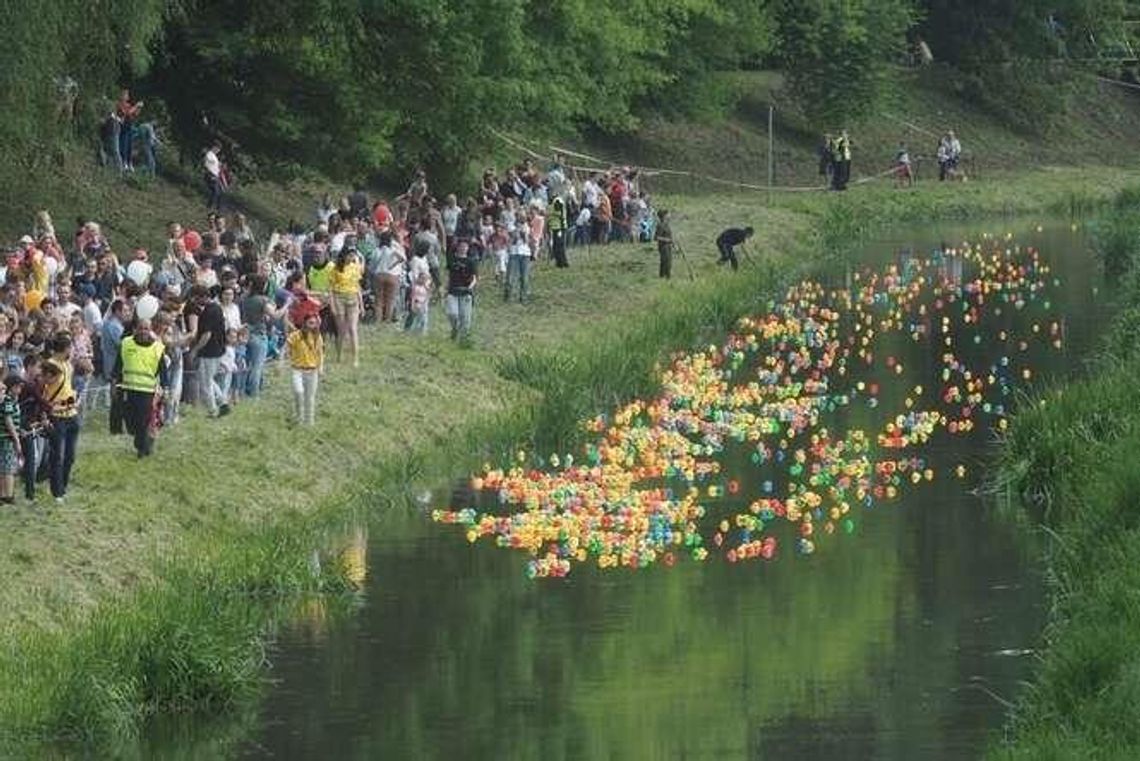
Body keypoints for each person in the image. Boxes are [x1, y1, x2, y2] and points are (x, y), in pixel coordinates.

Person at [114, 319, 169, 458]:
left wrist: (166, 388)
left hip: (147, 391)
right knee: (130, 422)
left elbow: (163, 371)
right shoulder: (126, 343)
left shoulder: (157, 347)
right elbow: (118, 366)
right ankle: (144, 441)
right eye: (141, 328)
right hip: (128, 389)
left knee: (143, 421)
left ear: (150, 330)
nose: (143, 331)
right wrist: (115, 385)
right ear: (135, 329)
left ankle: (142, 448)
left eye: (146, 328)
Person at [42, 333, 80, 503]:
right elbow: (44, 388)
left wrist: (74, 399)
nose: (72, 350)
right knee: (58, 455)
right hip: (56, 415)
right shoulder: (50, 365)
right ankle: (57, 492)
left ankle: (63, 486)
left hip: (71, 413)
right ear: (65, 349)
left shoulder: (68, 364)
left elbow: (67, 387)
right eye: (70, 347)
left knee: (70, 455)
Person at [187, 285, 229, 417]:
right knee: (209, 379)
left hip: (209, 352)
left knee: (205, 383)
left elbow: (207, 334)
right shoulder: (217, 308)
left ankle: (213, 410)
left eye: (196, 298)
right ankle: (222, 402)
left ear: (203, 297)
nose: (194, 301)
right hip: (218, 349)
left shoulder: (208, 312)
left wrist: (195, 350)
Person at [286, 311, 324, 426]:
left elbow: (320, 353)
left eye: (314, 323)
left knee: (310, 397)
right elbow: (286, 346)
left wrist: (321, 367)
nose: (312, 325)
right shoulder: (296, 335)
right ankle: (299, 417)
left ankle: (309, 422)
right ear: (305, 323)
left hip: (312, 370)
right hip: (297, 369)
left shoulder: (317, 337)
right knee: (298, 392)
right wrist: (282, 361)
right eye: (310, 323)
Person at [328, 247, 364, 367]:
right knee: (341, 330)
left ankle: (356, 358)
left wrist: (361, 304)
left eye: (354, 255)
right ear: (344, 256)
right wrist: (332, 304)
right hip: (339, 298)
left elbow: (357, 286)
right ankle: (339, 355)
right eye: (350, 255)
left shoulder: (355, 267)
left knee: (353, 329)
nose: (352, 257)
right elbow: (331, 289)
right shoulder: (335, 269)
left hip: (353, 298)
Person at [445, 239, 478, 341]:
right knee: (452, 313)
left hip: (465, 292)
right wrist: (445, 287)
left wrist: (470, 288)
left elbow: (474, 277)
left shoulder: (471, 261)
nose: (463, 248)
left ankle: (464, 339)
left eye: (465, 246)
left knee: (465, 317)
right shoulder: (452, 259)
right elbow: (448, 274)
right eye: (461, 246)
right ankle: (454, 329)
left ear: (468, 248)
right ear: (458, 247)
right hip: (452, 291)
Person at [0, 375, 23, 505]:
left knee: (4, 466)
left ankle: (3, 494)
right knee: (8, 467)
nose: (20, 389)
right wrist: (16, 439)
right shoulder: (8, 401)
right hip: (7, 438)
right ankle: (8, 495)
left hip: (6, 437)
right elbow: (8, 421)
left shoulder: (12, 400)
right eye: (18, 386)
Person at [548, 196, 569, 268]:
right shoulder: (552, 204)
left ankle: (562, 262)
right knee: (557, 246)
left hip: (559, 227)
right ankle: (560, 261)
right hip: (555, 227)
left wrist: (562, 227)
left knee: (559, 246)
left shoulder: (557, 201)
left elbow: (561, 214)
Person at [204, 143, 224, 210]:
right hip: (211, 175)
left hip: (216, 175)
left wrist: (219, 165)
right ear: (214, 147)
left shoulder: (214, 156)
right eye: (218, 149)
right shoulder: (209, 155)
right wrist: (211, 175)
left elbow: (215, 165)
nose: (218, 151)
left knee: (220, 192)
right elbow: (207, 165)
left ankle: (218, 207)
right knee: (215, 191)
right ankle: (209, 206)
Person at [655, 209, 674, 279]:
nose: (670, 215)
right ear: (664, 216)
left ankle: (666, 276)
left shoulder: (667, 224)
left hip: (668, 246)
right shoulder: (660, 225)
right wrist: (667, 240)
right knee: (665, 262)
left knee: (669, 261)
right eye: (668, 214)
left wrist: (672, 242)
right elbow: (656, 237)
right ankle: (664, 276)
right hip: (663, 247)